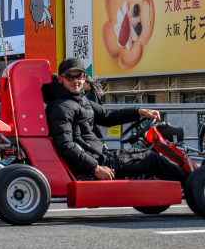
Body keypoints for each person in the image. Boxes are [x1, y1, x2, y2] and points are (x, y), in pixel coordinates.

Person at [45, 58, 187, 183]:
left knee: (151, 153)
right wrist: (95, 167)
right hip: (95, 161)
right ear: (60, 79)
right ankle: (194, 185)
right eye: (70, 77)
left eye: (79, 76)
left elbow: (108, 116)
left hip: (99, 155)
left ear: (84, 77)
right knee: (152, 159)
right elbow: (65, 145)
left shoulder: (79, 100)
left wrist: (139, 112)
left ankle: (190, 184)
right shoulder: (60, 107)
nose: (76, 81)